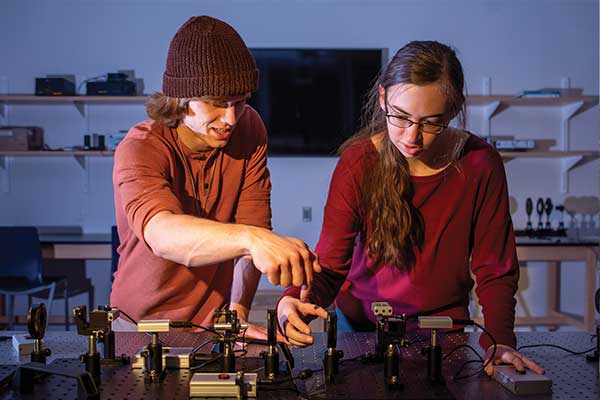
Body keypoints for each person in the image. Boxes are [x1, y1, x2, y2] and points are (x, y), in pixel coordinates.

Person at [277, 40, 544, 375]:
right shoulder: (359, 162)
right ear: (383, 98)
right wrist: (293, 300)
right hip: (361, 329)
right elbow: (331, 264)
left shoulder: (480, 163)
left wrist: (501, 341)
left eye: (431, 122)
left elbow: (495, 268)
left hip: (444, 330)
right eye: (400, 118)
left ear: (453, 111)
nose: (412, 137)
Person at [111, 16, 320, 338]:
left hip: (212, 327)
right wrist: (252, 240)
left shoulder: (249, 128)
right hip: (137, 325)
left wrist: (236, 313)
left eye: (241, 102)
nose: (231, 118)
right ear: (181, 100)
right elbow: (163, 235)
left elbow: (255, 226)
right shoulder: (141, 146)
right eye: (217, 104)